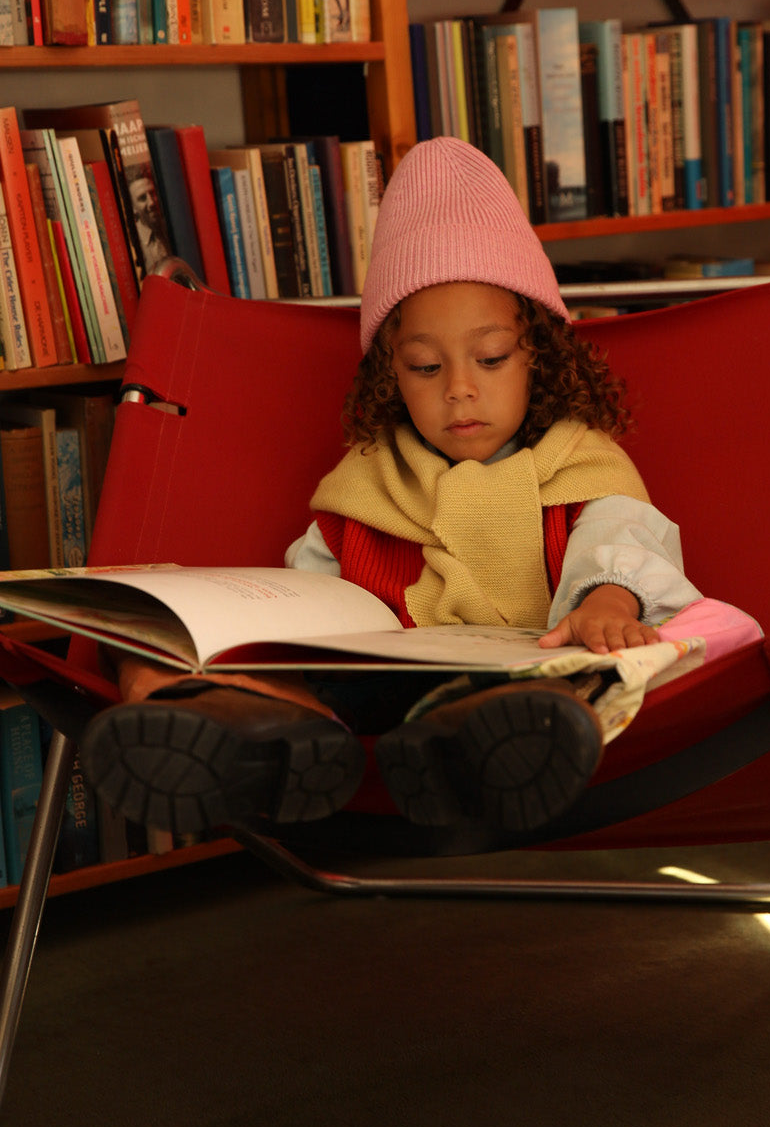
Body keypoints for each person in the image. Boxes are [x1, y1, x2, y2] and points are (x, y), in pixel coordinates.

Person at [79, 138, 732, 839]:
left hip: (527, 676)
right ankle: (248, 735)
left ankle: (481, 745)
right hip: (367, 692)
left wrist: (606, 601)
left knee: (602, 672)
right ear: (390, 372)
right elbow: (310, 596)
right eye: (425, 367)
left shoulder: (579, 463)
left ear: (539, 354)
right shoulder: (368, 482)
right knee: (162, 646)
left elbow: (622, 541)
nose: (459, 389)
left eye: (490, 358)